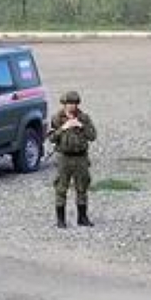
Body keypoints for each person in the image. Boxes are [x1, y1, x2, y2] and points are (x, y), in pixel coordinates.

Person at [49, 90, 97, 228]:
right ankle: (61, 220)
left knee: (82, 187)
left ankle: (82, 217)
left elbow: (93, 136)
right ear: (64, 104)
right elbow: (51, 138)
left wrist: (81, 126)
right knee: (61, 188)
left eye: (74, 103)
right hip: (64, 158)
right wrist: (63, 128)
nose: (71, 106)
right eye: (69, 103)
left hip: (81, 157)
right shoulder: (57, 118)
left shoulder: (84, 118)